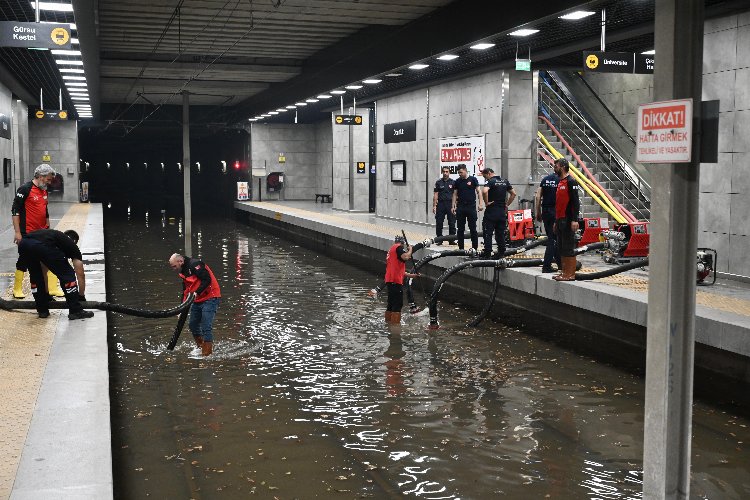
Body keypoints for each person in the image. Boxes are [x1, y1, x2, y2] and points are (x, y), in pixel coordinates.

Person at [11, 164, 64, 298]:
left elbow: (45, 212)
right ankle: (17, 288)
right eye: (48, 179)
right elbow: (15, 210)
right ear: (41, 176)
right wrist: (17, 232)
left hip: (43, 232)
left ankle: (51, 288)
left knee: (50, 257)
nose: (49, 182)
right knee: (24, 259)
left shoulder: (43, 191)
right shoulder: (25, 189)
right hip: (27, 233)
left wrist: (49, 230)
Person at [17, 228, 94, 320]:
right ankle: (75, 310)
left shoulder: (52, 238)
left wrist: (46, 295)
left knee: (36, 277)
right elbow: (80, 273)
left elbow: (43, 271)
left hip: (24, 244)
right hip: (39, 246)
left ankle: (42, 310)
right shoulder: (72, 246)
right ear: (74, 241)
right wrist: (81, 296)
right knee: (67, 274)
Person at [169, 253, 221, 356]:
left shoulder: (195, 264)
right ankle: (201, 346)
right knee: (193, 325)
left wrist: (197, 292)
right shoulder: (182, 271)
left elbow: (207, 279)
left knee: (206, 324)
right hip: (197, 299)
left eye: (174, 266)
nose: (173, 269)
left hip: (211, 297)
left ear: (181, 262)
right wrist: (181, 309)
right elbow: (185, 291)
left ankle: (207, 354)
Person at [552, 158, 580, 281]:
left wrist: (575, 220)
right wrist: (555, 221)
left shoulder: (571, 181)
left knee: (568, 247)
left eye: (556, 165)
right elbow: (558, 204)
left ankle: (570, 274)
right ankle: (564, 272)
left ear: (563, 167)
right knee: (561, 247)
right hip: (560, 219)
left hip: (568, 219)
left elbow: (575, 202)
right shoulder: (560, 181)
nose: (554, 168)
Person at [480, 168, 516, 258]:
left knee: (488, 232)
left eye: (485, 177)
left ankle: (487, 253)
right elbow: (513, 194)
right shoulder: (505, 181)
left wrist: (486, 202)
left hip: (491, 211)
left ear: (488, 173)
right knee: (500, 233)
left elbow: (484, 191)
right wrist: (507, 205)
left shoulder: (491, 181)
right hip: (501, 212)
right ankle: (501, 252)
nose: (486, 179)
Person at [383, 240, 418, 324]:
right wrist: (410, 250)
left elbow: (398, 270)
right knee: (398, 304)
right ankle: (395, 327)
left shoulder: (391, 251)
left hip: (390, 280)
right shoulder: (398, 247)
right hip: (395, 281)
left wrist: (411, 275)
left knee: (391, 304)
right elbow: (406, 257)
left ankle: (388, 323)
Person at [451, 164, 484, 251]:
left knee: (473, 229)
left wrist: (480, 204)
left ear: (465, 170)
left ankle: (474, 248)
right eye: (458, 173)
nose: (460, 174)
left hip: (471, 207)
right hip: (461, 208)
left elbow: (479, 192)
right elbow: (454, 194)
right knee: (460, 229)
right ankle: (461, 248)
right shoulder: (457, 181)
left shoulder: (473, 179)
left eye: (461, 172)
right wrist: (453, 206)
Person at [534, 166, 560, 273]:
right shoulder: (561, 181)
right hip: (555, 211)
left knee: (553, 238)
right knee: (553, 239)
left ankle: (560, 264)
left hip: (545, 211)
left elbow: (537, 197)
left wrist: (538, 212)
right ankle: (546, 265)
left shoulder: (545, 180)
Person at [432, 167, 455, 245]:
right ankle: (439, 239)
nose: (445, 173)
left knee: (452, 222)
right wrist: (434, 206)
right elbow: (435, 194)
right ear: (442, 173)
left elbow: (455, 195)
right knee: (439, 222)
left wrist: (455, 205)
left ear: (449, 173)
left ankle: (451, 240)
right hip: (441, 204)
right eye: (444, 172)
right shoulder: (438, 182)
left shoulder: (453, 182)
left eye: (447, 171)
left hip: (450, 204)